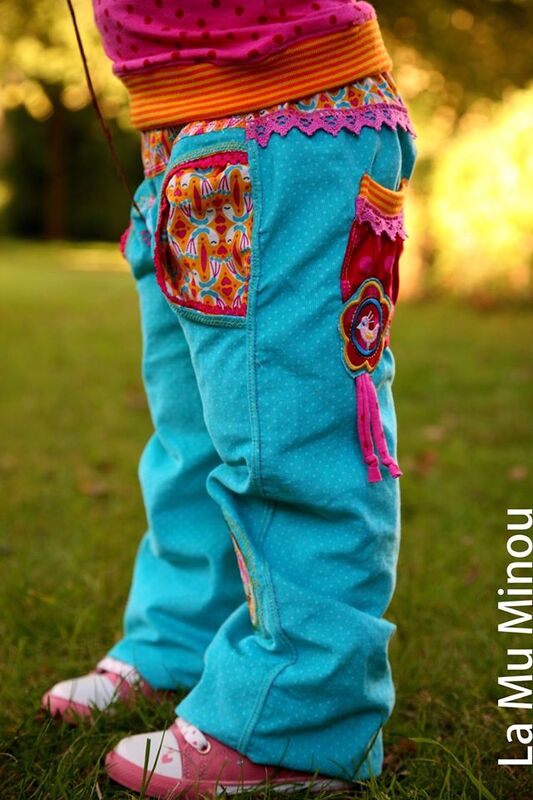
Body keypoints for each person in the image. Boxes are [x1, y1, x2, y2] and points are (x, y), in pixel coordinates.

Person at [42, 1, 417, 796]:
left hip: (288, 113)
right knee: (194, 436)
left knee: (293, 440)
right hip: (174, 128)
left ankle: (299, 722)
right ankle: (180, 643)